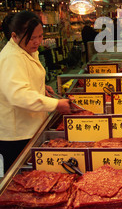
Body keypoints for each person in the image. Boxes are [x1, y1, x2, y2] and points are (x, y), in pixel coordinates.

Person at [0, 11, 72, 173]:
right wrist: (55, 104)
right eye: (32, 38)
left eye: (40, 36)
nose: (38, 41)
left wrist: (40, 86)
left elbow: (23, 79)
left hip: (31, 125)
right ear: (14, 36)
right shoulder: (12, 57)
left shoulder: (27, 50)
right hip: (17, 134)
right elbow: (18, 95)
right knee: (21, 181)